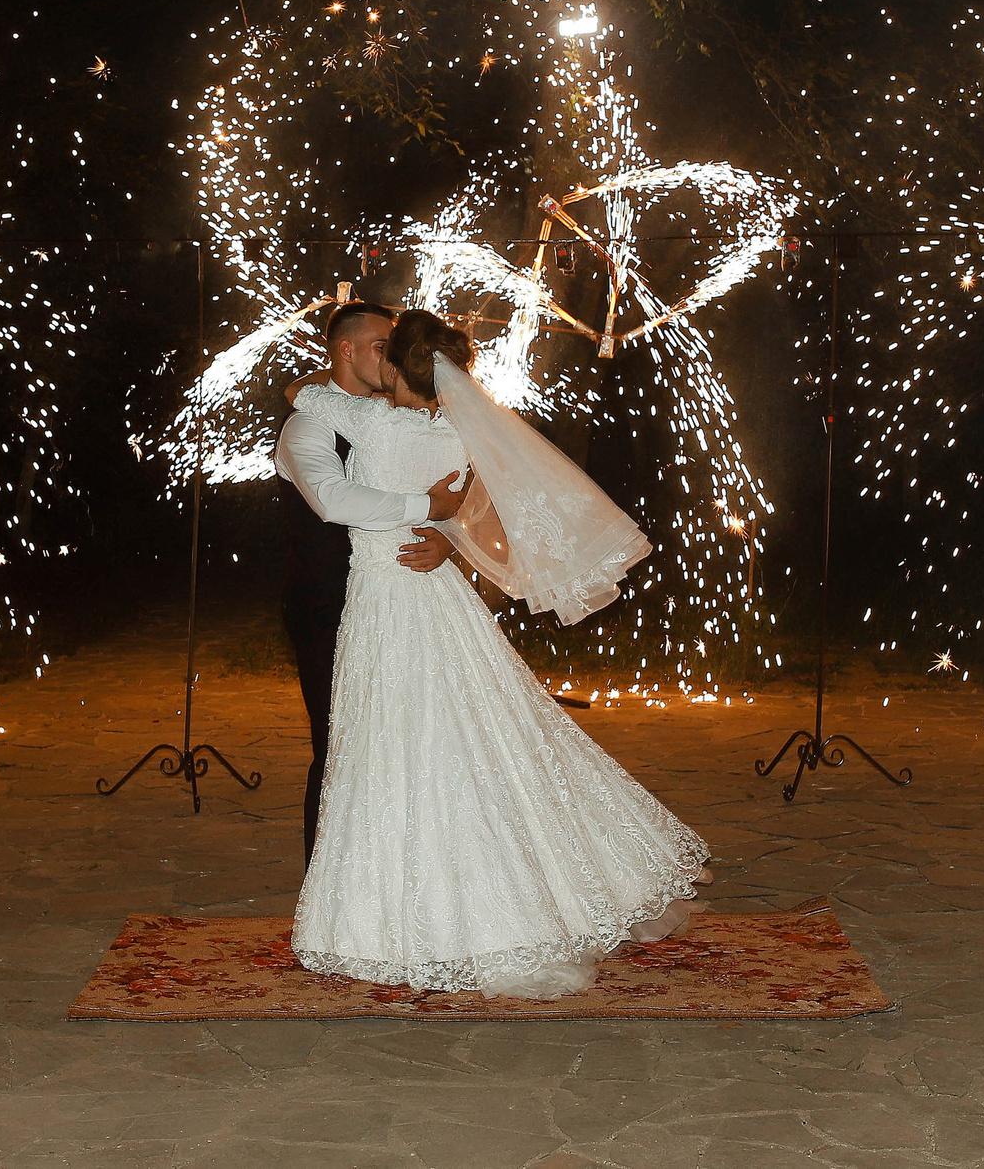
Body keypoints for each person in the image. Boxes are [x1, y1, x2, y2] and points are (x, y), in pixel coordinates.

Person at [285, 310, 709, 999]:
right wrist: (436, 513)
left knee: (407, 745)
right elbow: (395, 493)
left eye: (387, 348)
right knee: (447, 738)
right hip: (422, 601)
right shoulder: (454, 427)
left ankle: (419, 916)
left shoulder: (376, 422)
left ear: (396, 364)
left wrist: (445, 530)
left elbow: (315, 407)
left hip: (390, 602)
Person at [271, 301, 467, 863]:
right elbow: (333, 500)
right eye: (384, 347)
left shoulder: (404, 415)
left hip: (402, 601)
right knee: (341, 748)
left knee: (419, 741)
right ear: (346, 350)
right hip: (328, 605)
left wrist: (449, 539)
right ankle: (330, 886)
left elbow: (468, 492)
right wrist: (423, 503)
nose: (396, 358)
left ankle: (416, 873)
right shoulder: (308, 425)